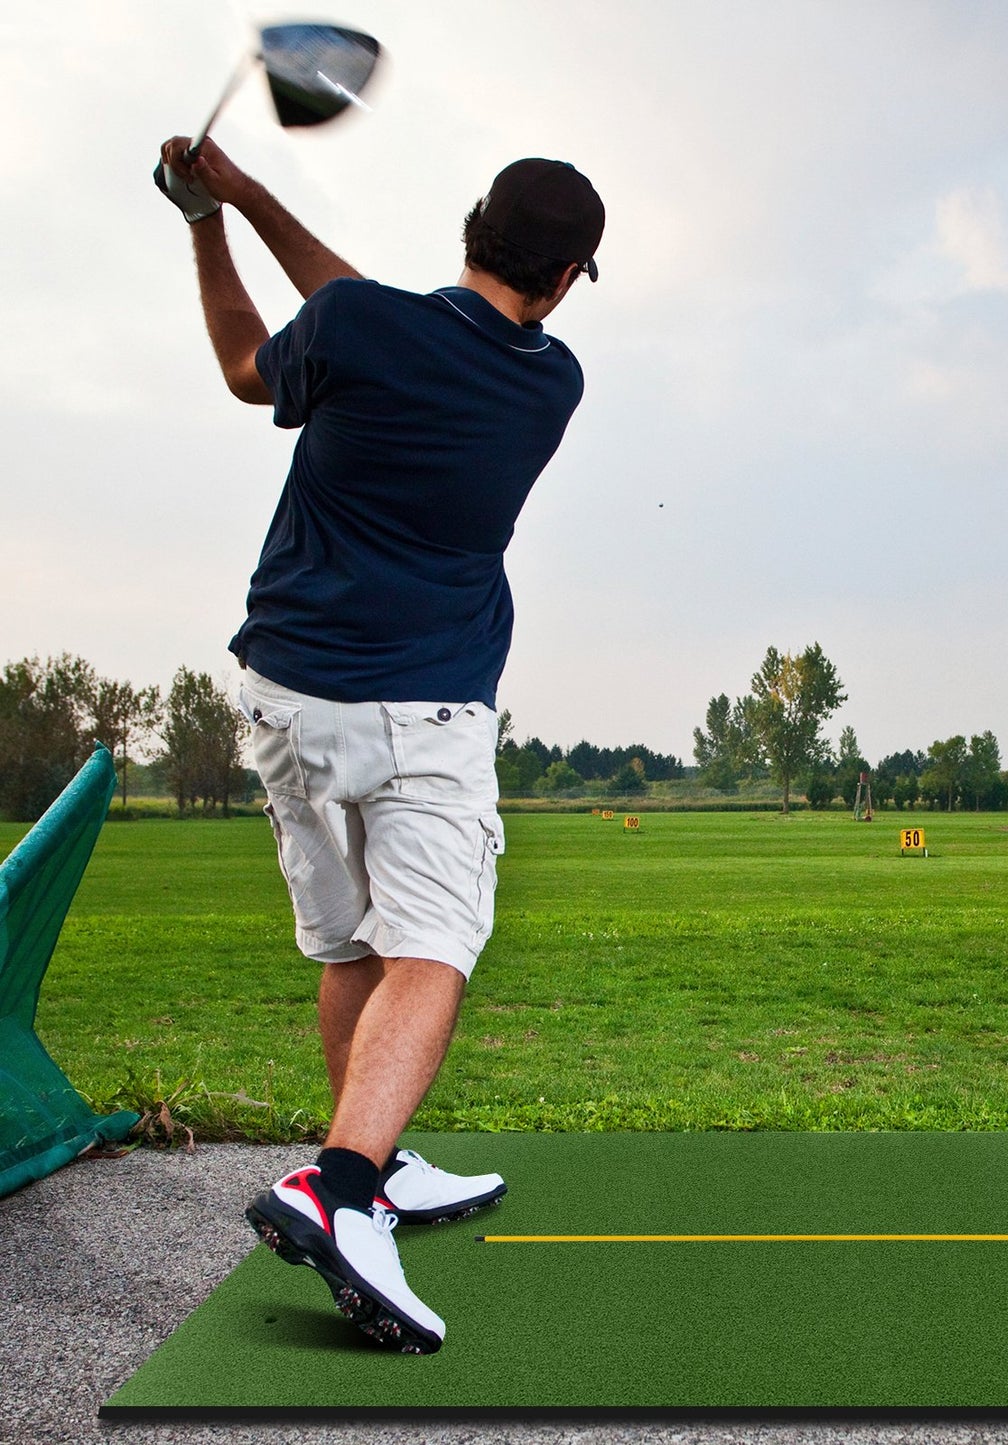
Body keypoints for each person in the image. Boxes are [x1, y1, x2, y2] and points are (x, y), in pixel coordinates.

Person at [155, 136, 604, 1354]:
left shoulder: (357, 326)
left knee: (351, 940)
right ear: (566, 277)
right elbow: (387, 320)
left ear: (470, 229)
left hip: (284, 696)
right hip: (424, 707)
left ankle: (378, 1154)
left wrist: (214, 215)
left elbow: (262, 362)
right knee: (434, 947)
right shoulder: (548, 381)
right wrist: (238, 196)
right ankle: (339, 1191)